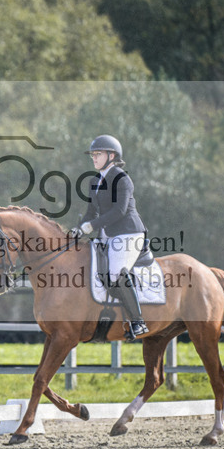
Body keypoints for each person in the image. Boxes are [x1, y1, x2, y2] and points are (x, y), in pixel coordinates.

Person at [70, 135, 148, 340]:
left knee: (115, 273)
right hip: (107, 234)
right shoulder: (95, 181)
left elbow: (119, 211)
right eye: (93, 155)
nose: (94, 158)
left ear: (111, 156)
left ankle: (138, 321)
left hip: (128, 233)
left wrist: (91, 226)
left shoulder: (122, 179)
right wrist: (78, 229)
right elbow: (90, 213)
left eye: (98, 154)